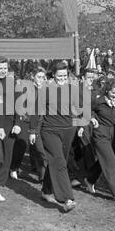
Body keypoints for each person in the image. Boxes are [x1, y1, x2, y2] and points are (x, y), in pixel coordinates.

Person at [29, 62, 84, 212]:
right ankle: (67, 198)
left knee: (57, 162)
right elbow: (36, 110)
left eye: (65, 76)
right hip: (49, 131)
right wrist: (33, 131)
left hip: (68, 130)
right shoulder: (45, 89)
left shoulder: (73, 88)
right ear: (53, 74)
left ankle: (46, 190)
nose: (62, 78)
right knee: (59, 162)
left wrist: (81, 125)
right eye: (59, 75)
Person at [82, 78, 115, 203]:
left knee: (104, 159)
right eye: (113, 93)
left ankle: (90, 179)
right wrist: (92, 118)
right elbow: (86, 109)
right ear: (107, 90)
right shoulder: (98, 101)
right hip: (100, 133)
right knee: (111, 163)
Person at [0, 57, 21, 202]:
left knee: (6, 157)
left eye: (5, 68)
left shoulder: (11, 83)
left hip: (9, 122)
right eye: (0, 68)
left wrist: (17, 122)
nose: (3, 71)